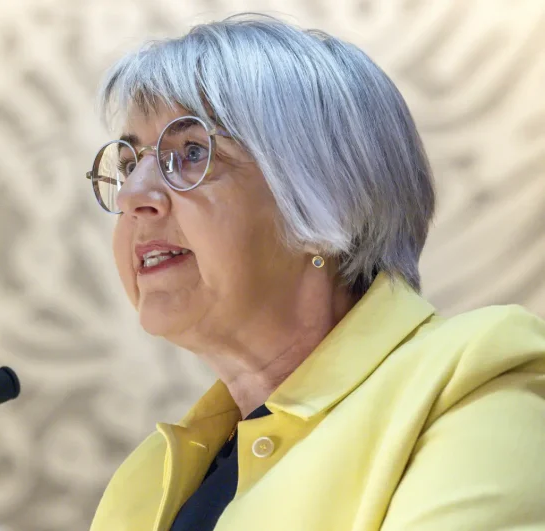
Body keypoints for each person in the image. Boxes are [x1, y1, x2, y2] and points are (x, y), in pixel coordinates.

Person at [83, 13, 545, 531]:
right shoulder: (144, 480)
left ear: (327, 200)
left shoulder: (472, 382)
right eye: (130, 164)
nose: (132, 195)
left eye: (192, 152)